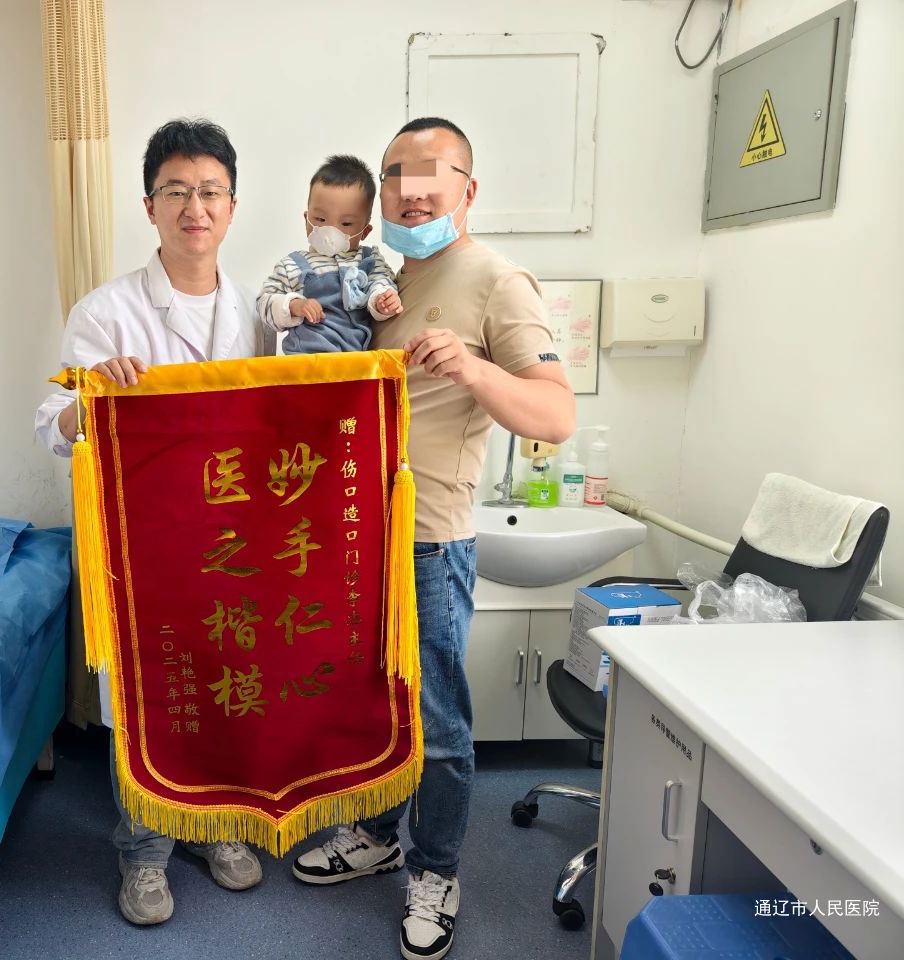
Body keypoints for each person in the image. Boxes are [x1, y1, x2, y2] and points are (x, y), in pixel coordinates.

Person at [290, 117, 576, 960]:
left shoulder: (495, 280)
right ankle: (378, 835)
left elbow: (556, 414)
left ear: (466, 188)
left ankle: (437, 870)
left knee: (438, 722)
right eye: (395, 176)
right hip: (357, 542)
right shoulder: (381, 276)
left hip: (428, 543)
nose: (410, 192)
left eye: (430, 175)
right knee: (374, 707)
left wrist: (475, 368)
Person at [34, 118, 273, 926]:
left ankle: (218, 828)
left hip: (235, 546)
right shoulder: (105, 313)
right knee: (146, 700)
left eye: (209, 192)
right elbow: (50, 424)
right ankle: (144, 852)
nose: (193, 207)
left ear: (232, 207)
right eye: (176, 191)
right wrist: (92, 396)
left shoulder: (259, 318)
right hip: (140, 552)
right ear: (149, 206)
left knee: (226, 692)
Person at [256, 154, 401, 353]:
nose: (330, 230)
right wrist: (294, 305)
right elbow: (263, 304)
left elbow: (383, 282)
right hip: (306, 361)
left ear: (365, 231)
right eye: (320, 219)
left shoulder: (368, 260)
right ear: (306, 219)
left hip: (356, 362)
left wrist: (382, 300)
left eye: (346, 223)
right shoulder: (291, 265)